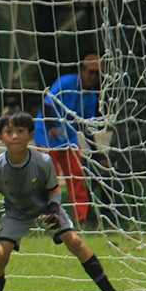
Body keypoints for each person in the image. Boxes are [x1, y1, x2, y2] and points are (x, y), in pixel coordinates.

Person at [0, 110, 127, 291]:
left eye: (20, 131)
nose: (14, 136)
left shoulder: (43, 161)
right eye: (8, 131)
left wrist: (54, 212)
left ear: (31, 135)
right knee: (1, 254)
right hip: (15, 212)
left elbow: (54, 191)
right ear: (0, 137)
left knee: (73, 241)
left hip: (46, 209)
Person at [34, 54, 101, 225]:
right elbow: (46, 104)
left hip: (68, 138)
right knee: (50, 178)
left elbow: (87, 126)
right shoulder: (65, 83)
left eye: (97, 74)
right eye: (90, 72)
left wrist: (95, 151)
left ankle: (82, 218)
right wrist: (51, 127)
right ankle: (46, 216)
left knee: (76, 175)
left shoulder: (92, 95)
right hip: (47, 135)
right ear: (82, 70)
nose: (93, 77)